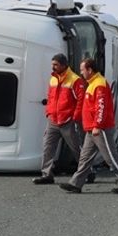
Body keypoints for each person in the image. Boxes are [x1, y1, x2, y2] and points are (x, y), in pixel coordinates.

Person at [62, 58, 118, 194]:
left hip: (99, 128)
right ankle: (76, 184)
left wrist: (97, 125)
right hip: (92, 128)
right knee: (85, 158)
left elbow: (101, 107)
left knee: (110, 157)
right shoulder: (93, 83)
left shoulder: (99, 84)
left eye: (82, 70)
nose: (81, 73)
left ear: (90, 70)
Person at [32, 53, 85, 185]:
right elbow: (50, 96)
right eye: (52, 64)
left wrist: (75, 117)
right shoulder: (53, 79)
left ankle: (87, 172)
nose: (53, 67)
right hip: (53, 119)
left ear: (63, 65)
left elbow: (81, 100)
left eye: (55, 65)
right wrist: (48, 112)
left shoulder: (75, 80)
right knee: (47, 147)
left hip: (67, 120)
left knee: (76, 148)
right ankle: (46, 174)